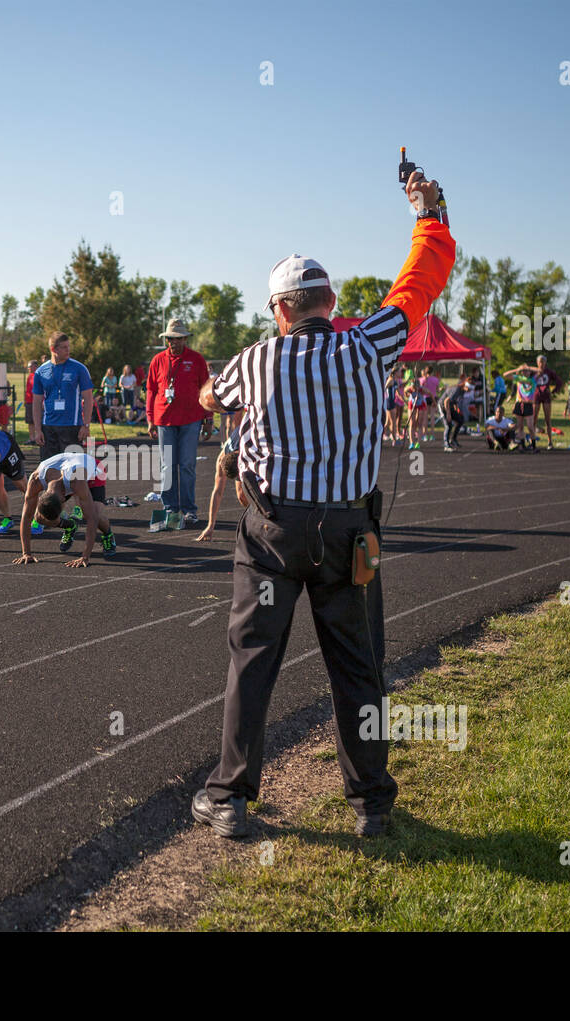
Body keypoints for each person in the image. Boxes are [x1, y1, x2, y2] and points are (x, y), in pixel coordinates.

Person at [190, 167, 454, 840]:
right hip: (347, 534)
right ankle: (371, 802)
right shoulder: (370, 344)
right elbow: (420, 281)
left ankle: (230, 797)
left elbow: (209, 400)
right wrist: (430, 212)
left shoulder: (254, 360)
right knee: (358, 667)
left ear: (280, 309)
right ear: (330, 301)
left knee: (253, 660)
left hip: (273, 532)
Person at [145, 319, 209, 528]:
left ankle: (189, 510)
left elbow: (206, 389)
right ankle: (170, 509)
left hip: (191, 419)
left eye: (179, 338)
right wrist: (150, 418)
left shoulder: (197, 359)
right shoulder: (157, 360)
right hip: (164, 419)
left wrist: (209, 419)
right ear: (166, 340)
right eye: (171, 338)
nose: (175, 342)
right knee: (167, 466)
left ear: (185, 339)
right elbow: (151, 390)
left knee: (187, 465)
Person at [11, 450, 117, 568]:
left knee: (96, 514)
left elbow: (91, 518)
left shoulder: (77, 481)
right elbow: (26, 517)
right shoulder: (35, 480)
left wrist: (85, 557)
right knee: (39, 518)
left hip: (94, 472)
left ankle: (107, 534)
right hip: (67, 471)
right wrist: (26, 553)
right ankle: (69, 525)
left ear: (63, 499)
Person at [29, 331, 92, 460]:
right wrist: (38, 429)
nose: (68, 350)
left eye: (68, 346)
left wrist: (86, 425)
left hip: (72, 427)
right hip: (48, 427)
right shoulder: (41, 371)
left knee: (73, 473)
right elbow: (36, 402)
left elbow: (88, 398)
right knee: (49, 471)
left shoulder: (79, 368)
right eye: (64, 347)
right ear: (53, 349)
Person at [194, 420, 246, 541]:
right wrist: (210, 526)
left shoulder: (254, 449)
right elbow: (217, 492)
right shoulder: (222, 459)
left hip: (260, 435)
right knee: (241, 495)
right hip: (239, 444)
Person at [528, 355, 562, 446]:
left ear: (545, 363)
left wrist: (554, 390)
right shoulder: (533, 372)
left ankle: (550, 441)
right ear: (537, 363)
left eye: (543, 361)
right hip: (536, 397)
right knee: (534, 418)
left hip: (546, 397)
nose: (541, 363)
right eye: (540, 362)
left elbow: (559, 381)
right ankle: (532, 440)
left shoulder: (549, 372)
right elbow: (528, 382)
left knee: (547, 419)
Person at [503, 365, 538, 450]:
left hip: (528, 404)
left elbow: (540, 370)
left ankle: (533, 446)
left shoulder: (533, 379)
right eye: (523, 371)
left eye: (526, 371)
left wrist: (528, 368)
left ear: (529, 371)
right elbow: (505, 375)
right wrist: (517, 369)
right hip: (519, 404)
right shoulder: (518, 378)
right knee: (520, 426)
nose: (525, 372)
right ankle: (522, 445)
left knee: (530, 427)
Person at [441, 373, 468, 452]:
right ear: (465, 385)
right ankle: (446, 444)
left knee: (460, 420)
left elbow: (455, 401)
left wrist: (457, 410)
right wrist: (448, 414)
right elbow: (446, 401)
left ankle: (453, 440)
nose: (469, 391)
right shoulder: (456, 389)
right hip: (443, 406)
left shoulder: (463, 391)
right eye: (469, 388)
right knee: (448, 425)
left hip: (450, 406)